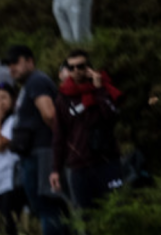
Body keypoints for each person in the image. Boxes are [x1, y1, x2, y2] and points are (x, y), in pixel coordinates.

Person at [6, 44, 72, 235]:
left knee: (48, 207)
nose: (12, 68)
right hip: (35, 153)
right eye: (9, 64)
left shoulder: (36, 81)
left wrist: (61, 144)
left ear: (30, 61)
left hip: (43, 152)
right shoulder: (29, 85)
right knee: (45, 207)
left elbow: (50, 114)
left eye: (16, 62)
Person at [52, 49, 124, 212]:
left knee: (116, 210)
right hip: (79, 165)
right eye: (72, 68)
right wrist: (56, 169)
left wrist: (99, 90)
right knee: (87, 216)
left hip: (107, 161)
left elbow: (111, 117)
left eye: (81, 66)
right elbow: (59, 135)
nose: (76, 71)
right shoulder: (63, 97)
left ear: (89, 68)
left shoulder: (103, 88)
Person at [0, 82, 26, 235]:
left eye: (4, 98)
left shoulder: (14, 120)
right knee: (5, 226)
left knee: (13, 225)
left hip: (12, 180)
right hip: (0, 183)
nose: (0, 103)